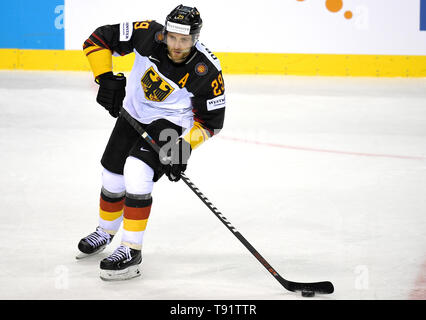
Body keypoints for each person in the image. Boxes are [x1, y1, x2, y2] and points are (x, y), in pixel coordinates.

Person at [76, 4, 226, 281]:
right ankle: (105, 232)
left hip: (171, 123)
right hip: (133, 113)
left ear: (195, 38)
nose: (177, 45)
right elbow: (98, 39)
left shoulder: (206, 70)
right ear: (165, 32)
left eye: (184, 40)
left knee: (137, 171)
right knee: (112, 175)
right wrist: (105, 78)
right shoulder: (148, 33)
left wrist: (183, 147)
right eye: (172, 37)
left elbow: (210, 122)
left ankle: (131, 249)